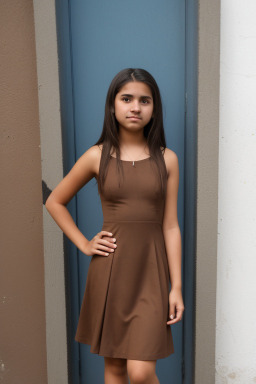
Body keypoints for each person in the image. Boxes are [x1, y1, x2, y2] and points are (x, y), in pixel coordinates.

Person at [45, 68, 185, 384]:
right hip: (110, 271)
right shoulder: (97, 156)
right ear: (113, 105)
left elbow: (171, 226)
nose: (135, 107)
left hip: (151, 272)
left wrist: (176, 286)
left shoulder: (168, 159)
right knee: (116, 369)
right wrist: (84, 243)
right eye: (127, 99)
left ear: (154, 108)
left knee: (141, 372)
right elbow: (55, 201)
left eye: (144, 100)